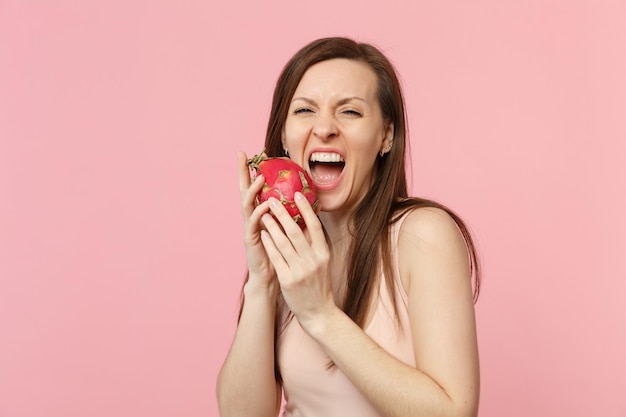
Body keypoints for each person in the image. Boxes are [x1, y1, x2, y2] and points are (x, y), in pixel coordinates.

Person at [216, 36, 481, 417]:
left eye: (350, 112)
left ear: (386, 136)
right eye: (305, 110)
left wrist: (321, 314)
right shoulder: (290, 249)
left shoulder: (421, 235)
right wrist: (261, 283)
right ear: (285, 138)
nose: (324, 128)